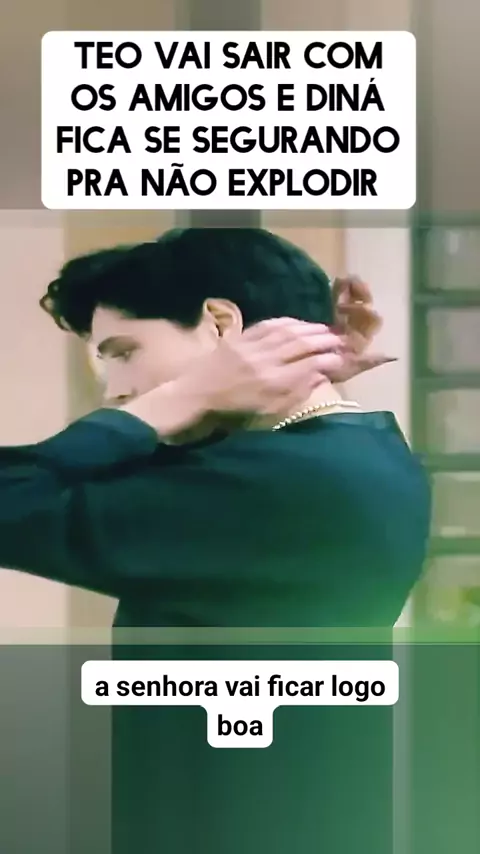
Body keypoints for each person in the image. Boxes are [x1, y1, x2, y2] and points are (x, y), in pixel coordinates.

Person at [0, 228, 430, 853]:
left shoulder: (280, 486)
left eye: (123, 353)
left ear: (222, 325)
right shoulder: (352, 452)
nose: (114, 390)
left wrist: (188, 393)